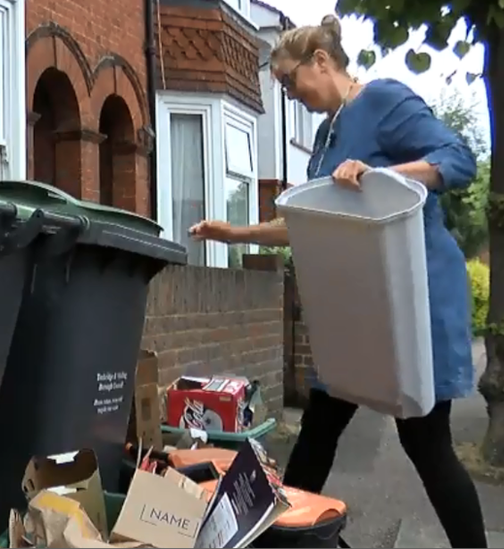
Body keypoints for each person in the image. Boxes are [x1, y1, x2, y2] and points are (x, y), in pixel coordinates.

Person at [189, 14, 488, 549]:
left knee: (425, 443)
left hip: (413, 299)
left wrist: (381, 177)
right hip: (357, 305)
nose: (289, 95)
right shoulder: (327, 136)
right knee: (320, 426)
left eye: (288, 81)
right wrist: (235, 232)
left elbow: (457, 160)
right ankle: (282, 538)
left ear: (321, 61)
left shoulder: (383, 101)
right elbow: (309, 223)